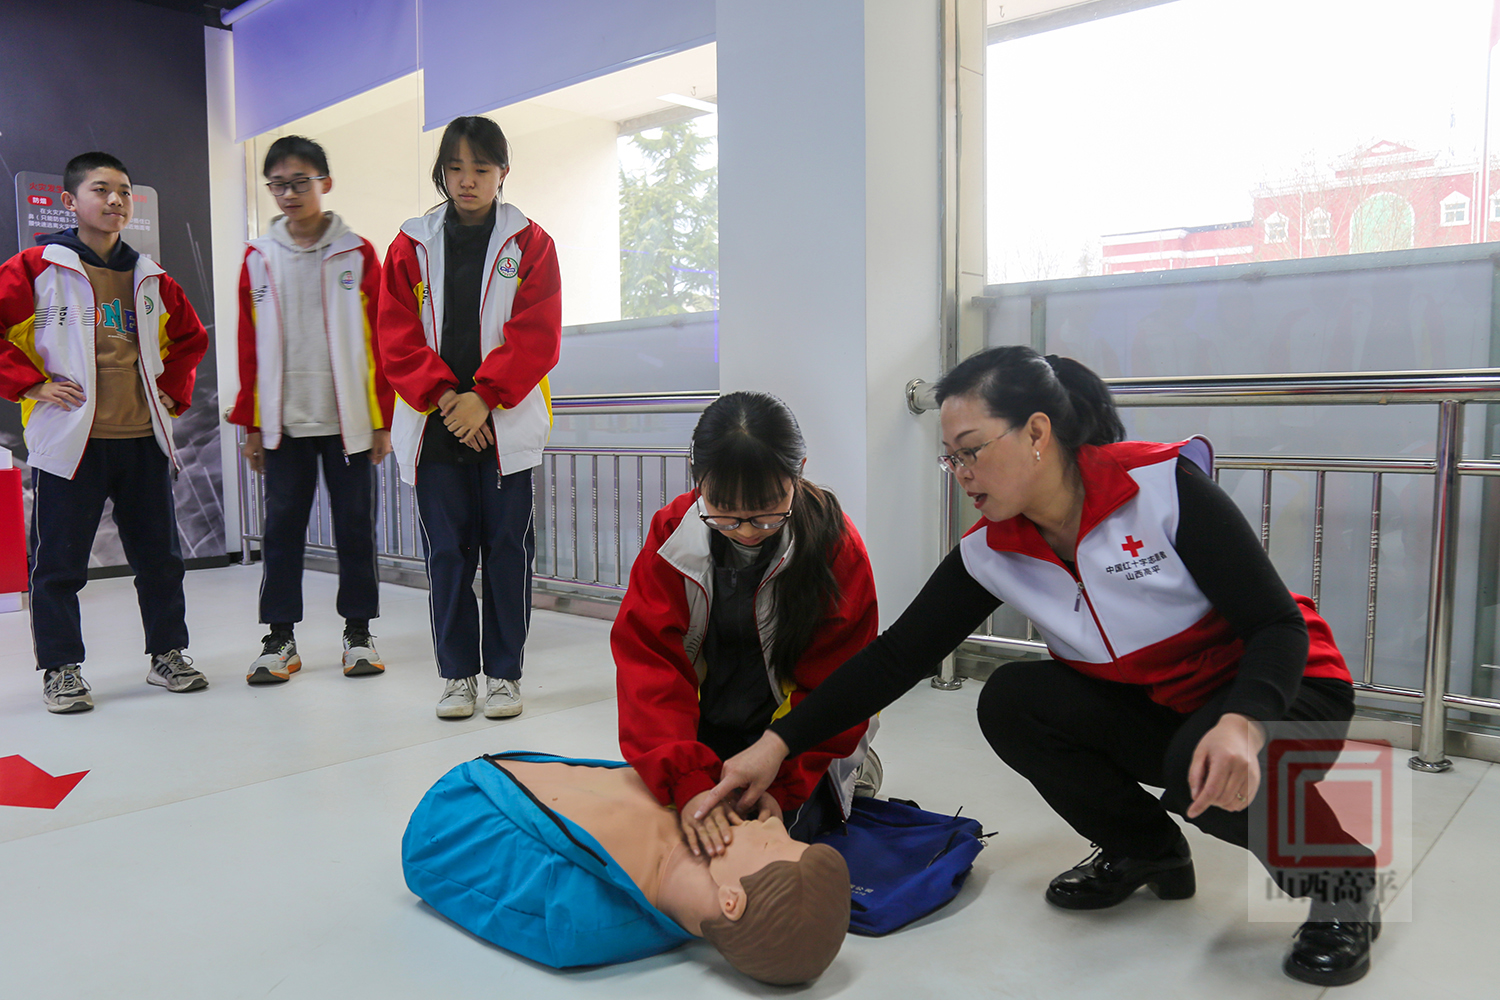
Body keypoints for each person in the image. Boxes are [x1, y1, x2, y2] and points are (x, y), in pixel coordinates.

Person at [697, 346, 1380, 987]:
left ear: (1036, 433)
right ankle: (1145, 849)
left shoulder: (1163, 489)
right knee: (1013, 699)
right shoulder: (994, 549)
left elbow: (1276, 626)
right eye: (949, 459)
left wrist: (1242, 723)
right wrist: (776, 745)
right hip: (1169, 707)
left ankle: (1345, 883)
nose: (961, 475)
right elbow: (896, 657)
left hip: (1287, 693)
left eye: (971, 452)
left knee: (1196, 761)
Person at [613, 391, 880, 851]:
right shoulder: (670, 536)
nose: (747, 532)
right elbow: (650, 667)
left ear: (798, 473)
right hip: (704, 726)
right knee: (660, 833)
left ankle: (854, 767)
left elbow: (842, 686)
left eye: (767, 512)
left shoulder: (837, 548)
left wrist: (783, 787)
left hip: (797, 740)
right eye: (725, 514)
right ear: (697, 479)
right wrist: (687, 777)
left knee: (767, 843)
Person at [0, 152, 209, 712]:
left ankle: (168, 654)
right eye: (101, 190)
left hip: (141, 439)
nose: (116, 201)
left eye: (123, 191)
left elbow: (189, 341)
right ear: (70, 201)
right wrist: (30, 384)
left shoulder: (150, 277)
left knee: (160, 560)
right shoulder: (35, 267)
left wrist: (174, 394)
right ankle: (61, 669)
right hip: (71, 444)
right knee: (59, 565)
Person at [377, 116, 560, 720]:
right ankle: (457, 675)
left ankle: (504, 675)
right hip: (436, 428)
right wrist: (447, 400)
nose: (467, 180)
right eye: (454, 168)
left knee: (508, 551)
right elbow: (395, 335)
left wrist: (484, 395)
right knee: (447, 556)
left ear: (503, 172)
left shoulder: (531, 244)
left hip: (504, 424)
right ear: (442, 173)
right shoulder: (409, 243)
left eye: (480, 168)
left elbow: (536, 334)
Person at [402, 751, 850, 985]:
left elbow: (429, 846)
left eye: (775, 844)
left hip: (461, 799)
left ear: (731, 900)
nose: (774, 824)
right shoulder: (703, 815)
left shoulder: (577, 915)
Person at [229, 135, 394, 685]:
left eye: (300, 182)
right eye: (278, 185)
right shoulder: (258, 258)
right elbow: (247, 347)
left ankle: (359, 633)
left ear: (324, 183)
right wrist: (252, 425)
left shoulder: (357, 252)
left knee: (355, 528)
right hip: (283, 424)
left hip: (347, 421)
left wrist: (382, 419)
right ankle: (279, 639)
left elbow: (381, 341)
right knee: (280, 531)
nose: (289, 194)